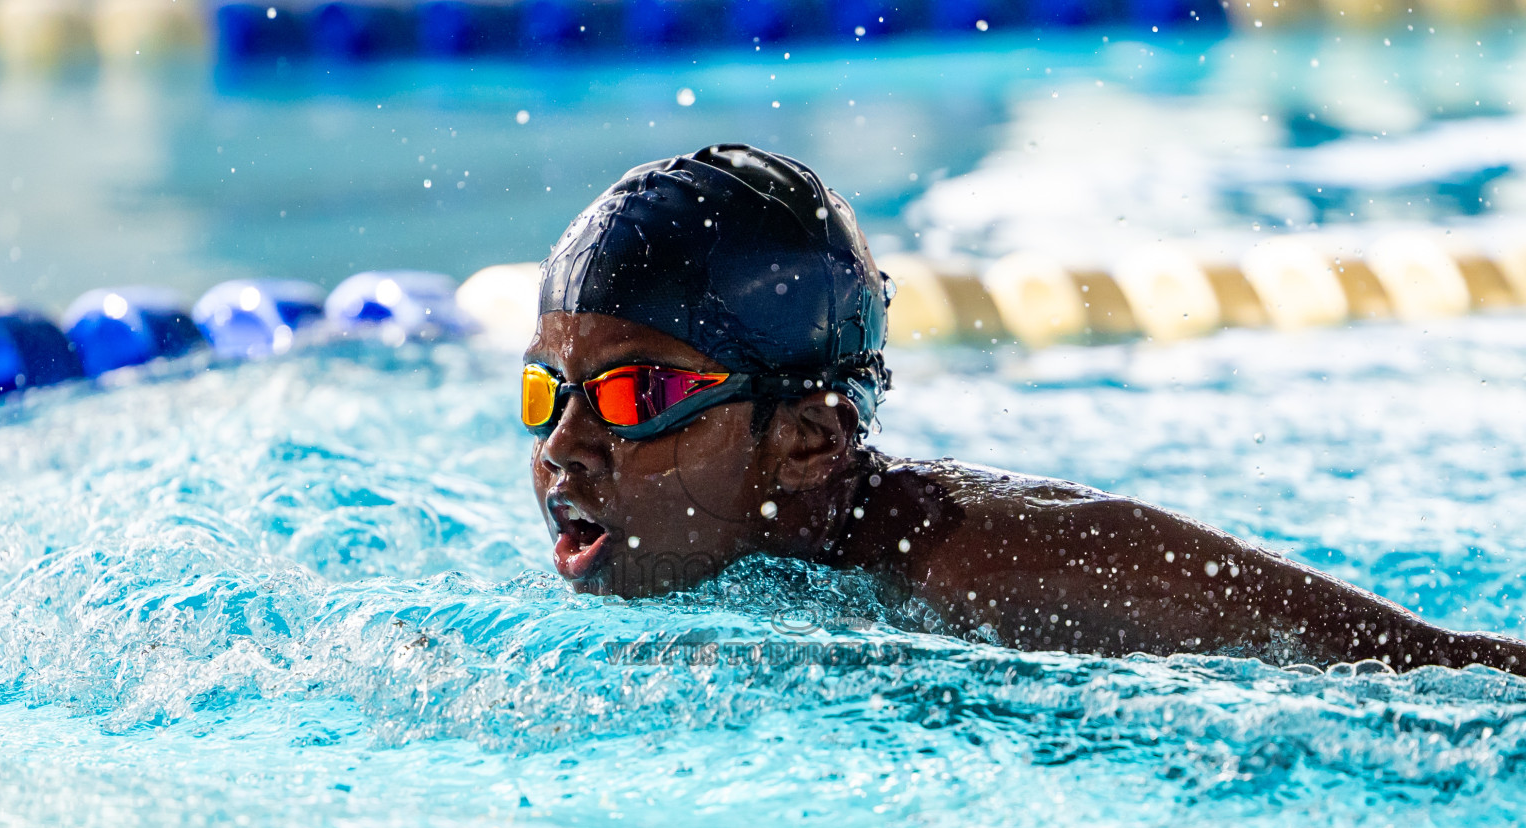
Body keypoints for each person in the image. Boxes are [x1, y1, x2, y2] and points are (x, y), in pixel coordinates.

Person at [524, 142, 1525, 673]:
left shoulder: (1002, 566)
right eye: (547, 392)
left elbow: (1434, 670)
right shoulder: (723, 561)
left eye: (635, 395)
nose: (564, 448)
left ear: (808, 442)